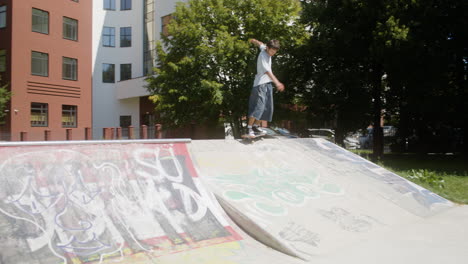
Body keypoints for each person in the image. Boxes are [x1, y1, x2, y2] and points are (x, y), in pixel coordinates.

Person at [246, 38, 284, 137]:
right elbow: (268, 72)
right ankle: (249, 128)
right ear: (268, 48)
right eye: (272, 51)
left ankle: (256, 126)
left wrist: (253, 40)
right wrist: (277, 83)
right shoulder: (263, 55)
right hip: (260, 84)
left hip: (267, 84)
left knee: (267, 108)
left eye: (275, 52)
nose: (272, 54)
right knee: (259, 106)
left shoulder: (264, 48)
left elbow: (260, 44)